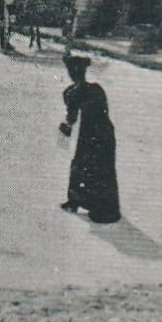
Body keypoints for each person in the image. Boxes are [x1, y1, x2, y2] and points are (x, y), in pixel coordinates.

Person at [58, 53, 121, 224]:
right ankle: (105, 208)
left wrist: (64, 128)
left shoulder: (71, 93)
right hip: (105, 133)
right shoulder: (97, 89)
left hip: (89, 135)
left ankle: (76, 201)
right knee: (102, 170)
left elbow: (70, 120)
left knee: (81, 166)